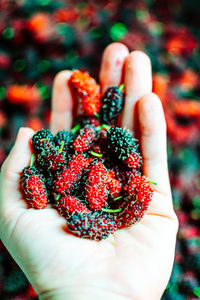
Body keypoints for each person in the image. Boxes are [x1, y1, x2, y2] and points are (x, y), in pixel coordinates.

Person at [0, 43, 178, 300]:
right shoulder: (73, 170)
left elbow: (99, 181)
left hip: (97, 187)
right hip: (82, 179)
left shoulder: (111, 175)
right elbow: (69, 183)